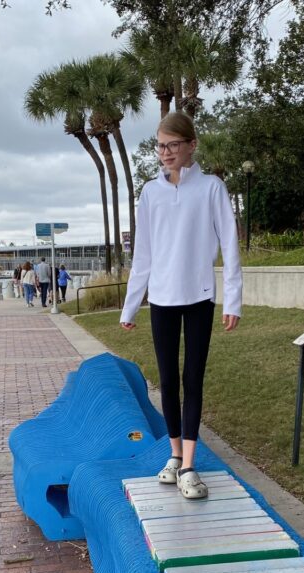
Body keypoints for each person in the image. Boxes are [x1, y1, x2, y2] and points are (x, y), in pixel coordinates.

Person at [120, 112, 242, 500]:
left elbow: (231, 247)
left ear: (191, 145)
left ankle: (190, 465)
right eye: (160, 145)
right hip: (162, 298)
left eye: (174, 144)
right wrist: (130, 306)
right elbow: (144, 254)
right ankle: (174, 455)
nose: (166, 152)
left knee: (193, 380)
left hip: (200, 298)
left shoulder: (211, 188)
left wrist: (232, 299)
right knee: (168, 381)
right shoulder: (150, 193)